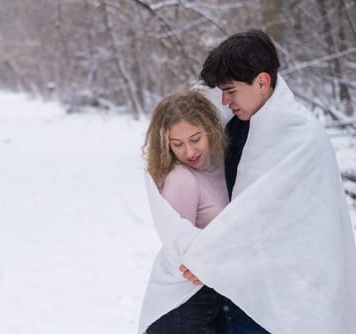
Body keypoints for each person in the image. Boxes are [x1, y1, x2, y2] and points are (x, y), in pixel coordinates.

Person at [176, 29, 356, 333]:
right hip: (236, 286)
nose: (225, 99)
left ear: (262, 81)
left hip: (286, 293)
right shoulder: (232, 128)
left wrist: (209, 257)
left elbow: (262, 212)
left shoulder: (300, 136)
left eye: (231, 90)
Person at [139, 89, 229, 334]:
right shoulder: (182, 179)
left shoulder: (224, 168)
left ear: (210, 129)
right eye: (177, 144)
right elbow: (182, 254)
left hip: (213, 297)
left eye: (195, 138)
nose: (189, 152)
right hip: (181, 303)